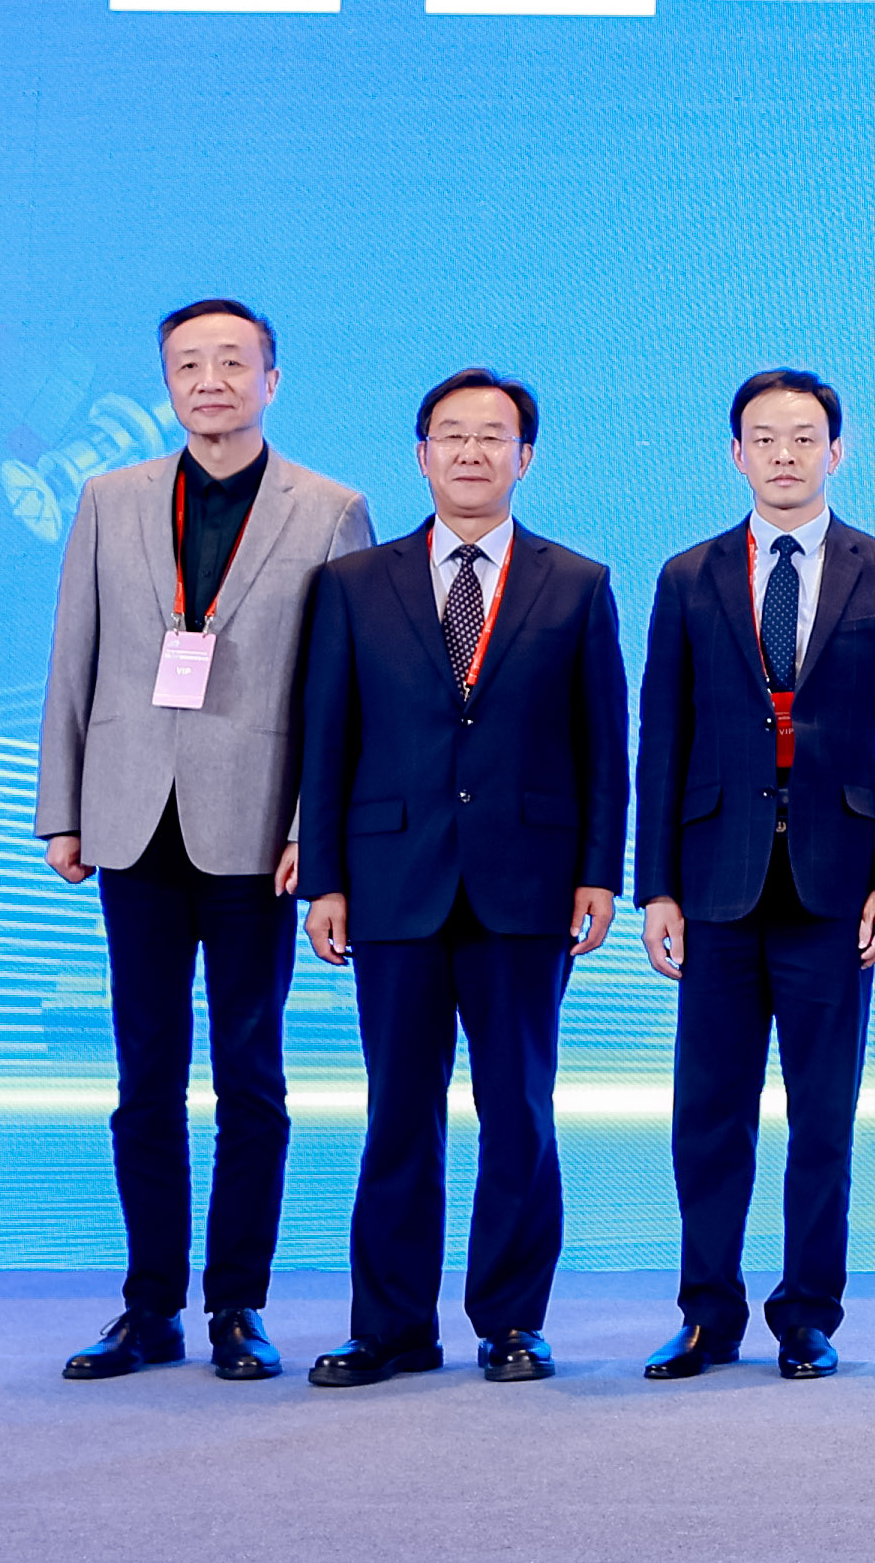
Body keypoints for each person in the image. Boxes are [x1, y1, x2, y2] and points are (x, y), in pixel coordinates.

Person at [34, 298, 376, 1383]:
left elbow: (343, 693)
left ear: (272, 381)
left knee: (251, 1077)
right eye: (189, 366)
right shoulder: (109, 498)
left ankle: (237, 1305)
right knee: (144, 1078)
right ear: (168, 384)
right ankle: (148, 1308)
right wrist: (62, 809)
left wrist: (314, 831)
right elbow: (73, 655)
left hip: (257, 832)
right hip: (132, 820)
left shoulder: (331, 509)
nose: (211, 382)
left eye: (233, 363)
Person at [292, 369, 628, 1386]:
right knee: (398, 1109)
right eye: (452, 435)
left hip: (528, 884)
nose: (472, 452)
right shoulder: (355, 584)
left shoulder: (577, 583)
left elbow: (603, 745)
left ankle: (512, 1320)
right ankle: (390, 1324)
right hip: (392, 880)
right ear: (422, 454)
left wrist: (598, 874)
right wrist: (325, 880)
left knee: (519, 1109)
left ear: (526, 457)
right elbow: (327, 739)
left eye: (493, 436)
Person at [631, 369, 875, 1383]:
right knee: (708, 1116)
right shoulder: (688, 575)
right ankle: (706, 1313)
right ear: (737, 454)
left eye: (805, 438)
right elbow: (662, 738)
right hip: (715, 882)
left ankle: (807, 1314)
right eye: (765, 438)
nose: (786, 455)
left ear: (836, 452)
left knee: (822, 1116)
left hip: (836, 886)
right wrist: (656, 886)